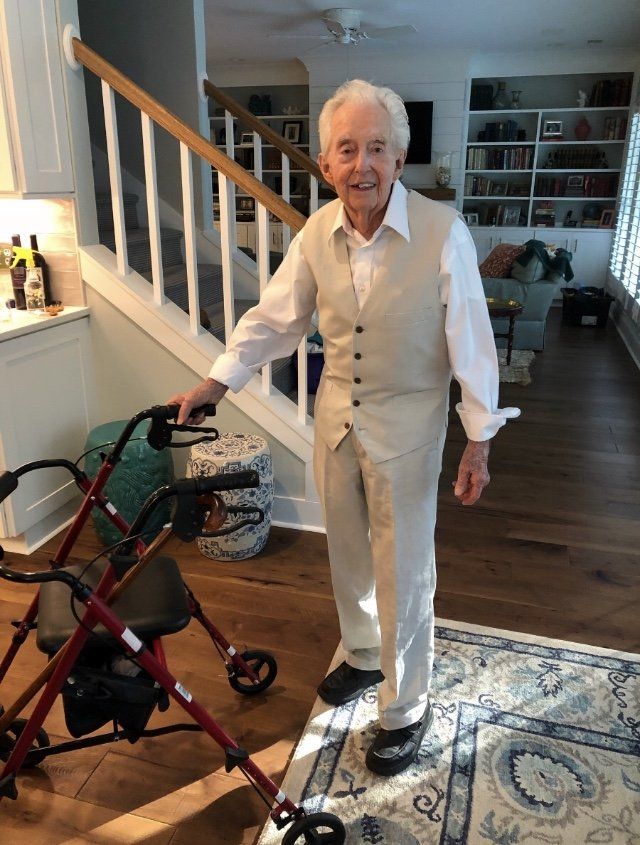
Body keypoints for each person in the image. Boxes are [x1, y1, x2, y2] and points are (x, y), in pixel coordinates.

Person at [168, 79, 520, 777]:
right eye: (347, 149)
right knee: (349, 558)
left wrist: (479, 437)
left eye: (378, 148)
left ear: (400, 158)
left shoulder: (443, 233)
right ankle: (362, 653)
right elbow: (275, 320)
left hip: (410, 427)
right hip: (335, 421)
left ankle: (405, 707)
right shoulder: (314, 236)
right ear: (325, 164)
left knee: (404, 570)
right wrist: (218, 380)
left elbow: (471, 340)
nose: (363, 165)